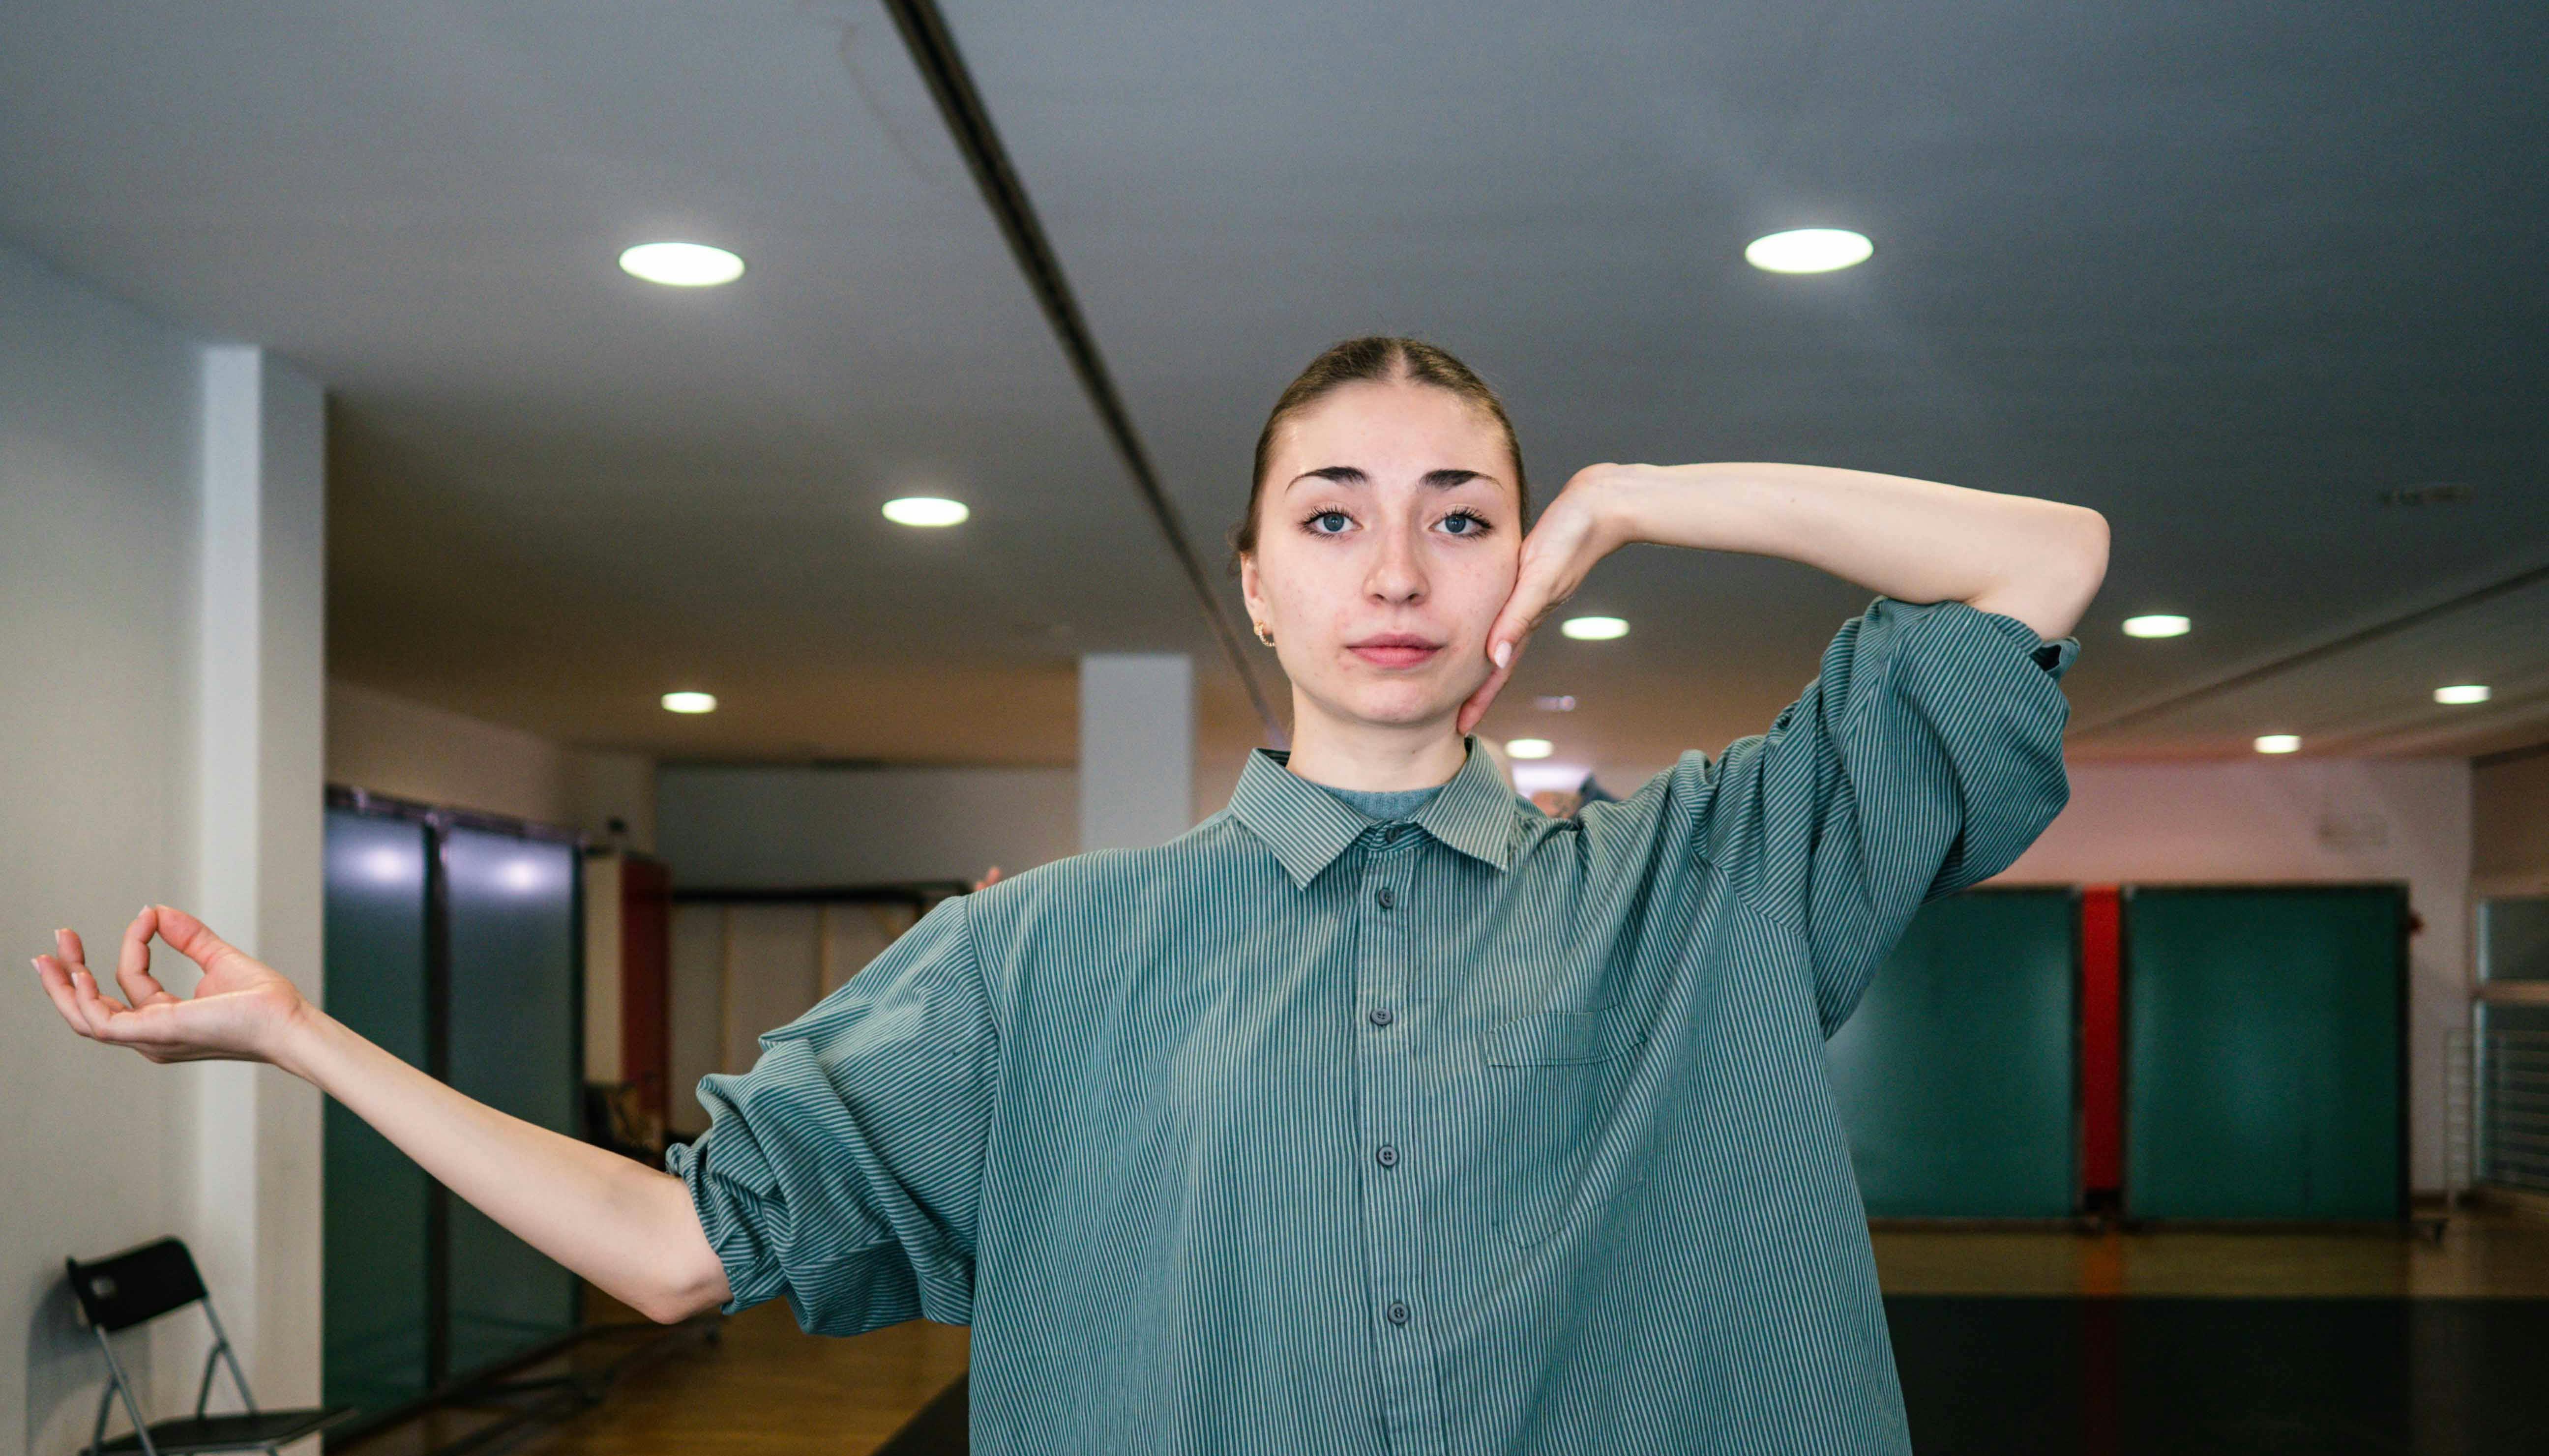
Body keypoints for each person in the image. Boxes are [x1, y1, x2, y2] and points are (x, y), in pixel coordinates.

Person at [33, 336, 2106, 1454]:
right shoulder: (1044, 955)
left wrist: (1643, 498)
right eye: (1336, 516)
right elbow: (674, 1251)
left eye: (1459, 518)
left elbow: (2045, 564)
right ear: (1257, 583)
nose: (1398, 570)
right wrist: (302, 1038)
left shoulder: (1705, 879)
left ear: (1521, 569)